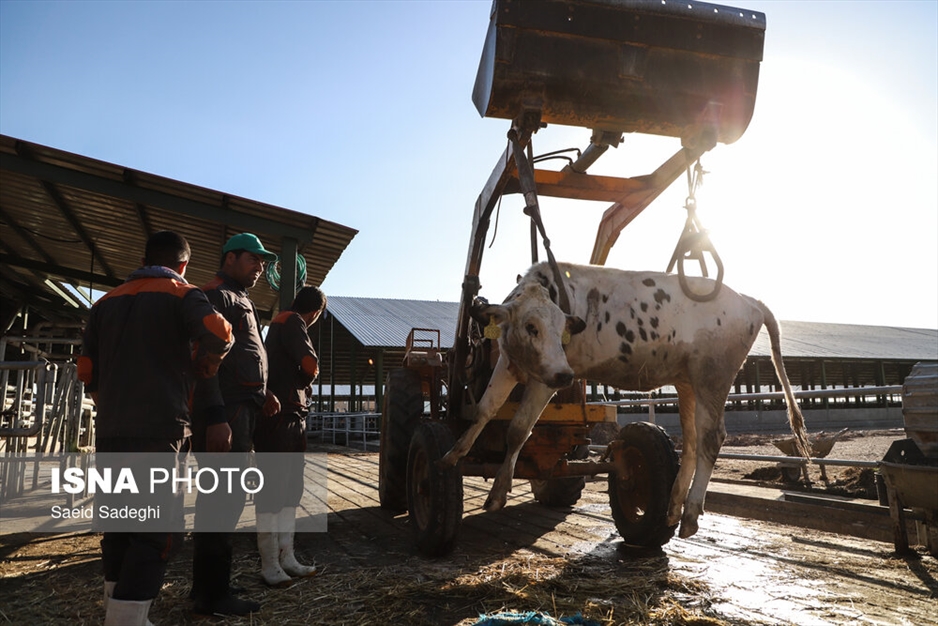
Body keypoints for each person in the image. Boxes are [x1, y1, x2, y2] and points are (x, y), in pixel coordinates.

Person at [78, 231, 233, 626]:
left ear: (143, 260)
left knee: (119, 524)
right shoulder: (182, 293)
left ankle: (116, 606)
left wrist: (107, 404)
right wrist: (209, 364)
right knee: (158, 530)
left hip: (111, 429)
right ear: (183, 264)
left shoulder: (105, 302)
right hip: (161, 427)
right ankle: (127, 618)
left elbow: (87, 368)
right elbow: (219, 332)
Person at [190, 232, 280, 616]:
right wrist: (215, 416)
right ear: (230, 258)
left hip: (241, 407)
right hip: (225, 412)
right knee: (222, 501)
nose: (260, 267)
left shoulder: (239, 298)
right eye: (253, 259)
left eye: (262, 261)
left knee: (226, 500)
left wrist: (263, 392)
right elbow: (204, 360)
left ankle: (209, 586)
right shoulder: (215, 295)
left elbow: (243, 356)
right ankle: (212, 597)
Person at [254, 285, 326, 586]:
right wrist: (307, 377)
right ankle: (271, 563)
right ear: (316, 312)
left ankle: (285, 557)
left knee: (288, 490)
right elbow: (311, 364)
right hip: (283, 417)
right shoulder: (293, 321)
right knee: (276, 489)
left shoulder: (278, 323)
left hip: (286, 416)